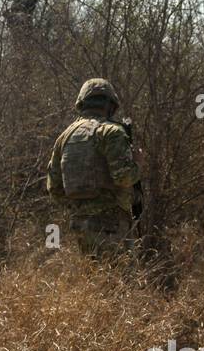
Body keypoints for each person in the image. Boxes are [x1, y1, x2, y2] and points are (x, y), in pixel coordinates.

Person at [46, 78, 142, 259]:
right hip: (112, 223)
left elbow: (54, 189)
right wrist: (138, 163)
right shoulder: (112, 132)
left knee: (93, 281)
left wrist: (81, 207)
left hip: (80, 225)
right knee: (120, 283)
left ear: (82, 104)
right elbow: (124, 177)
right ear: (110, 105)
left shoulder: (65, 137)